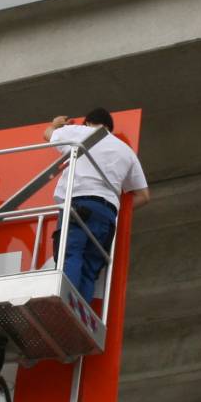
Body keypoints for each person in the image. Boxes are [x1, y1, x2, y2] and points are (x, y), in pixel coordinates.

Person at [45, 108, 149, 302]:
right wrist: (115, 209)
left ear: (88, 123)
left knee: (70, 254)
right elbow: (144, 196)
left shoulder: (80, 133)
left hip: (79, 205)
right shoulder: (126, 151)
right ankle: (79, 314)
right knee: (90, 269)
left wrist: (55, 124)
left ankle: (65, 304)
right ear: (109, 126)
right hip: (107, 214)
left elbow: (48, 135)